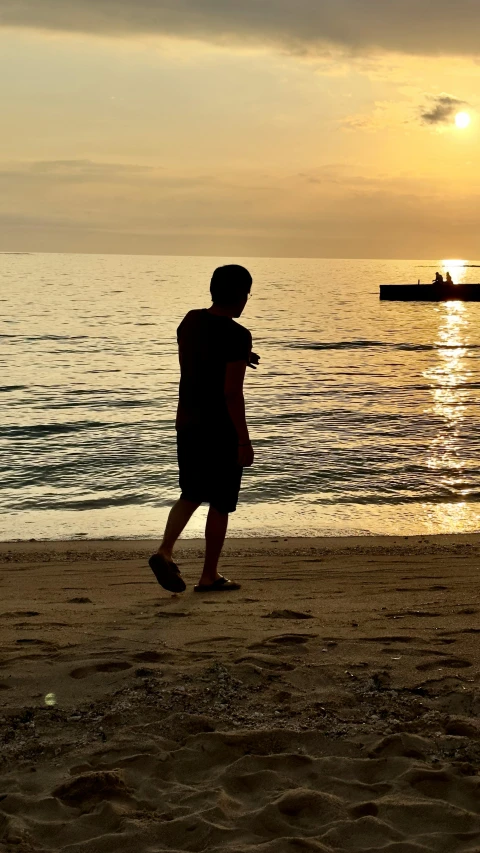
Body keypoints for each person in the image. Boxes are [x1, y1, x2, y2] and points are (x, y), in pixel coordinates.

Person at [148, 264, 258, 593]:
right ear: (240, 295)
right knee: (221, 502)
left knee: (191, 493)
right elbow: (230, 393)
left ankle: (165, 551)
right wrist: (243, 440)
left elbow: (201, 358)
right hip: (220, 428)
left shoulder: (190, 321)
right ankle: (209, 575)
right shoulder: (237, 335)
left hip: (188, 422)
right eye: (247, 293)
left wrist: (241, 355)